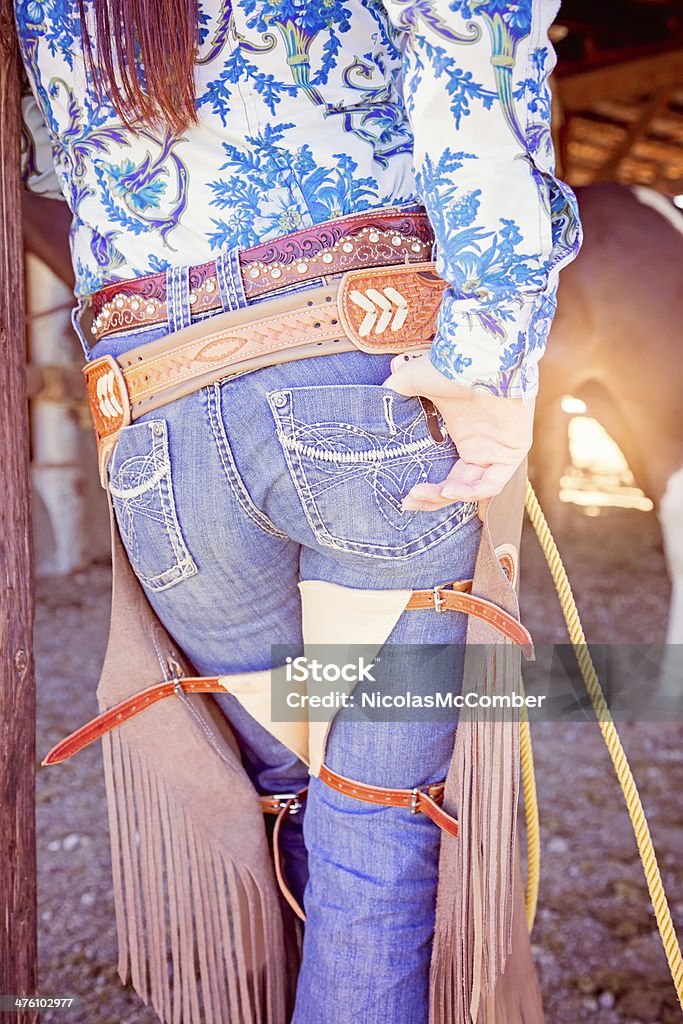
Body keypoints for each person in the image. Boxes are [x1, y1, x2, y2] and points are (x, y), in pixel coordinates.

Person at [17, 2, 581, 1022]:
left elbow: (57, 159)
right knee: (371, 833)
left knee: (291, 797)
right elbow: (470, 34)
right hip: (353, 382)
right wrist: (489, 348)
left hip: (155, 422)